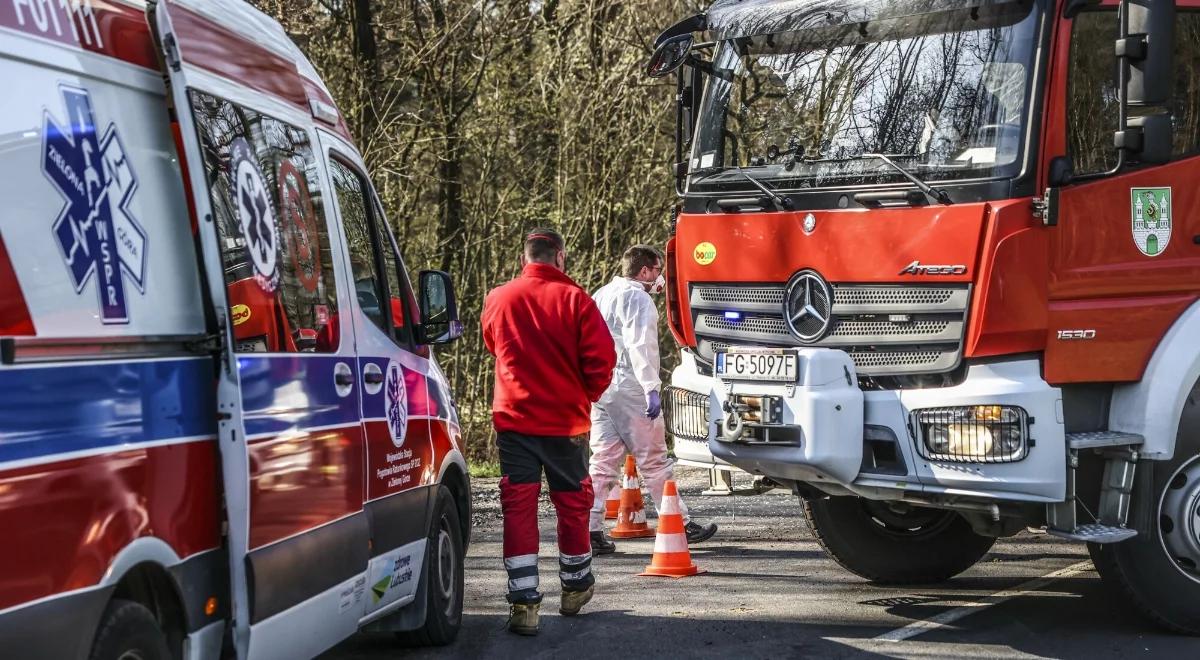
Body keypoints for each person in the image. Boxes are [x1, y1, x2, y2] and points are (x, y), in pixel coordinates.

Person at [481, 228, 617, 636]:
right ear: (559, 257)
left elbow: (494, 345)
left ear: (526, 257)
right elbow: (602, 361)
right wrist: (582, 395)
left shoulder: (498, 297)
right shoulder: (576, 300)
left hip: (515, 421)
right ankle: (575, 588)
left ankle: (524, 605)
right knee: (573, 504)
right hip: (565, 421)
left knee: (518, 506)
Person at [588, 245, 717, 554]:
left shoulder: (601, 294)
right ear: (644, 271)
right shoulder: (638, 298)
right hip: (632, 386)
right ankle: (679, 522)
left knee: (602, 462)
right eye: (658, 271)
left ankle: (588, 530)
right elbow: (640, 345)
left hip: (603, 387)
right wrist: (650, 387)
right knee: (655, 461)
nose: (660, 278)